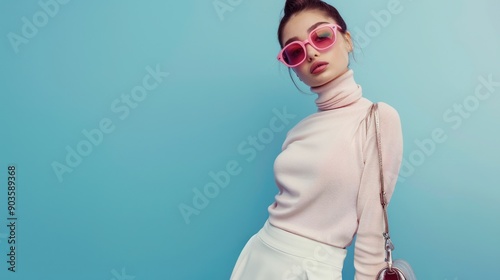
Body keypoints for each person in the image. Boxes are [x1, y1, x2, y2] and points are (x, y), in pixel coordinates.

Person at [230, 0, 403, 279]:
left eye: (321, 36)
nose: (310, 52)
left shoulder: (378, 118)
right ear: (291, 66)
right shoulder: (300, 130)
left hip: (313, 268)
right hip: (260, 255)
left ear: (347, 40)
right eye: (295, 51)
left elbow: (372, 226)